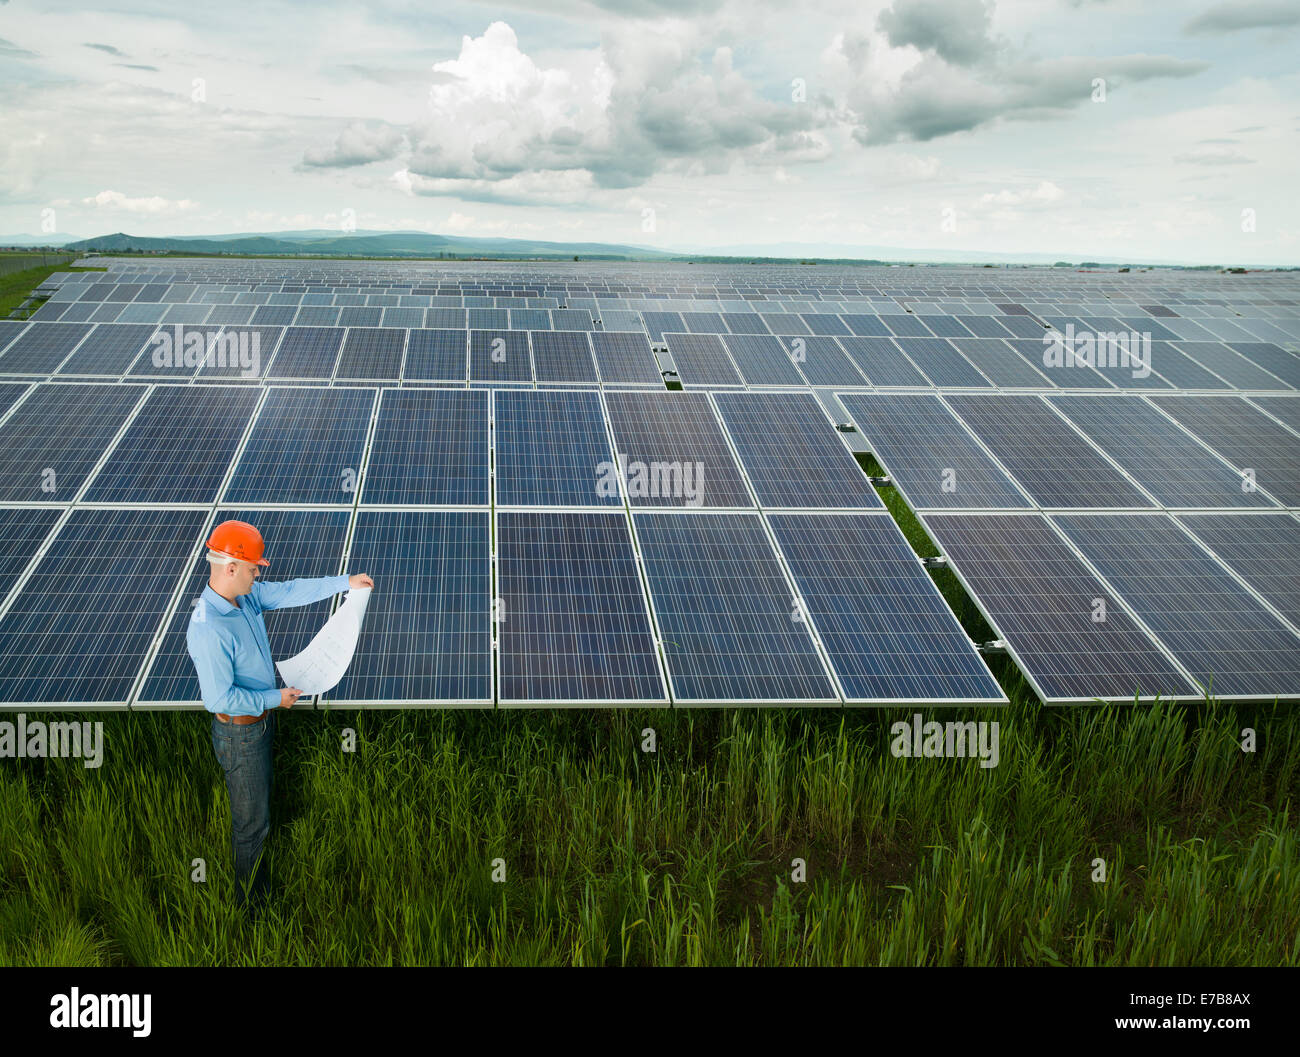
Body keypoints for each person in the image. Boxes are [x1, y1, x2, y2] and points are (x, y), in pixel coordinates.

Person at [186, 519, 373, 916]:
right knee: (250, 827)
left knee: (259, 809)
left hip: (260, 723)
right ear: (230, 568)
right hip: (240, 735)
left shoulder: (246, 597)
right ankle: (253, 909)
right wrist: (275, 698)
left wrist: (346, 583)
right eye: (254, 568)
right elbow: (219, 697)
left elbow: (290, 591)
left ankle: (256, 891)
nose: (258, 574)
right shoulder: (208, 627)